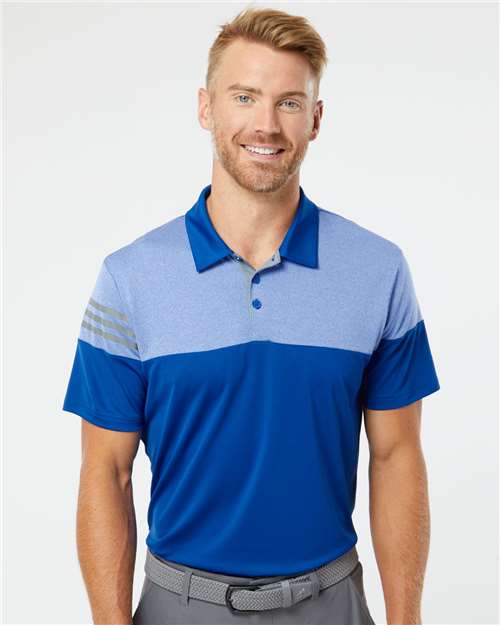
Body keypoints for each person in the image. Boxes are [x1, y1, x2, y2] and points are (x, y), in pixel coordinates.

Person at [62, 7, 441, 625]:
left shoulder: (378, 270)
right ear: (206, 108)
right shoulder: (129, 279)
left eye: (289, 102)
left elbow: (396, 456)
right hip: (180, 608)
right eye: (244, 96)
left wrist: (407, 619)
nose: (265, 124)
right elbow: (106, 472)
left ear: (315, 119)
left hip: (332, 604)